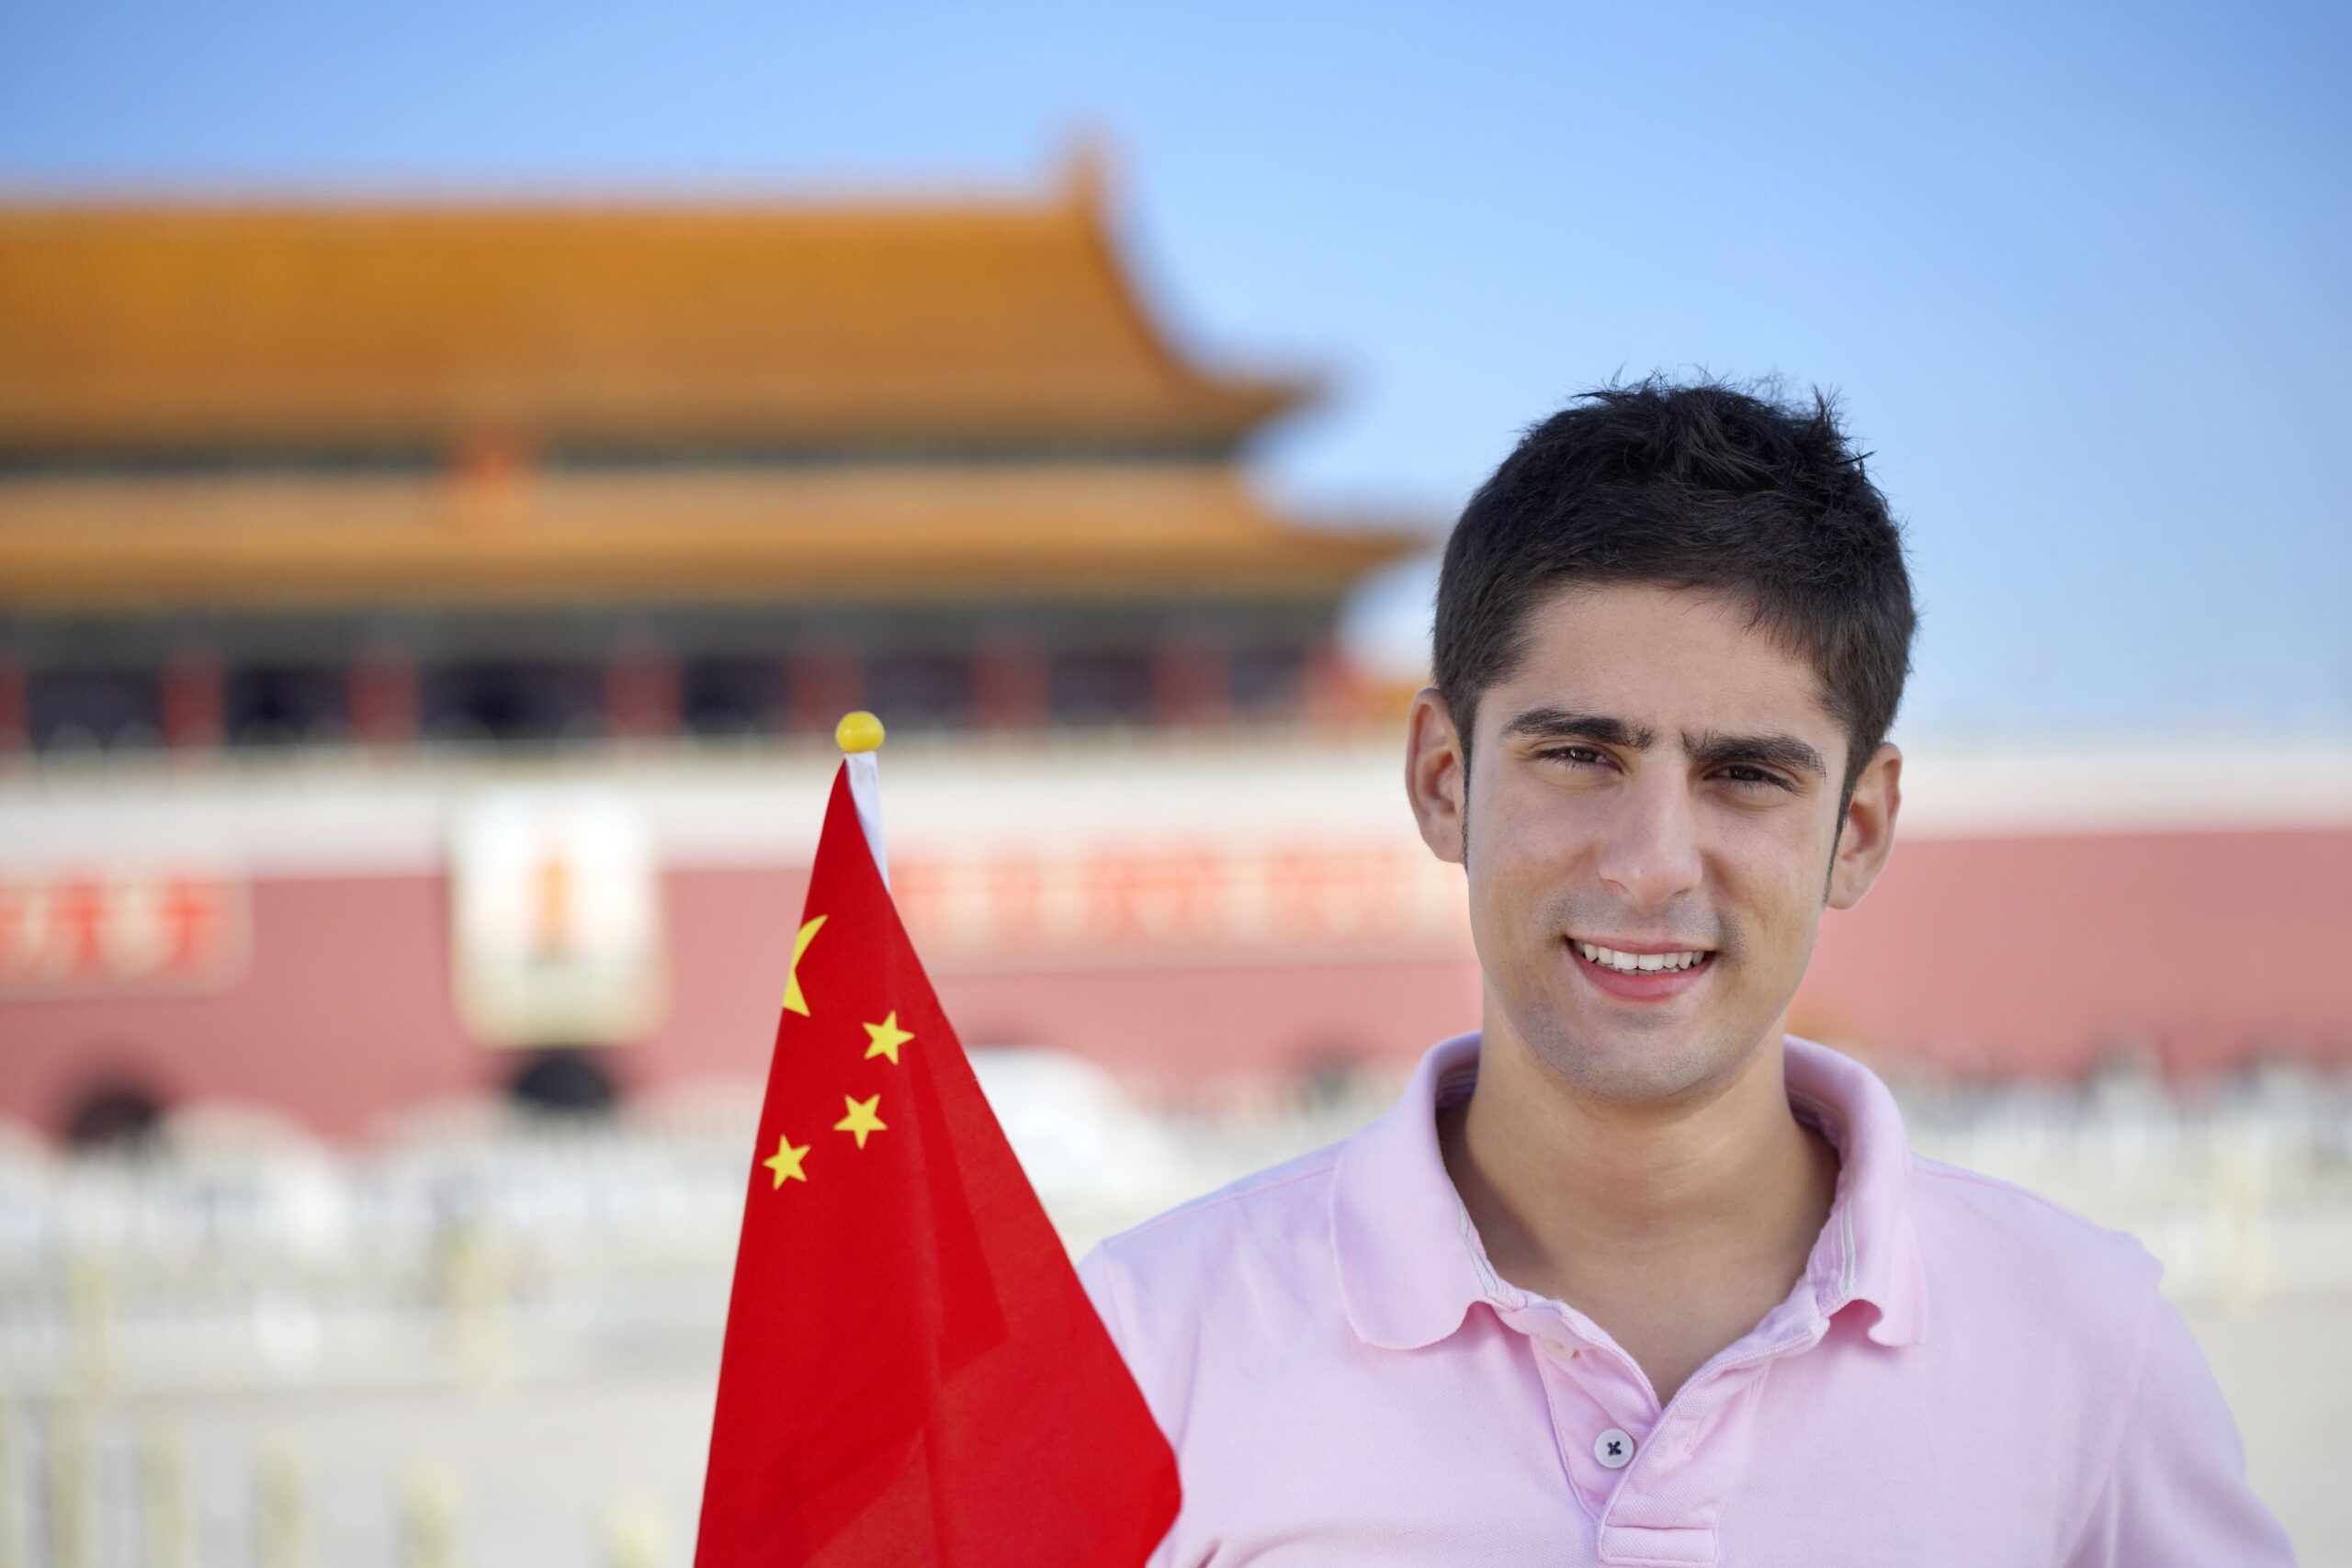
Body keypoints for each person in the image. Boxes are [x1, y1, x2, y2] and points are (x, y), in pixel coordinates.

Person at [1076, 379, 2294, 1566]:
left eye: (1747, 775)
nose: (1652, 866)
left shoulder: (2080, 1342)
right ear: (1446, 779)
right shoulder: (1149, 1342)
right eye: (1579, 755)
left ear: (1858, 830)